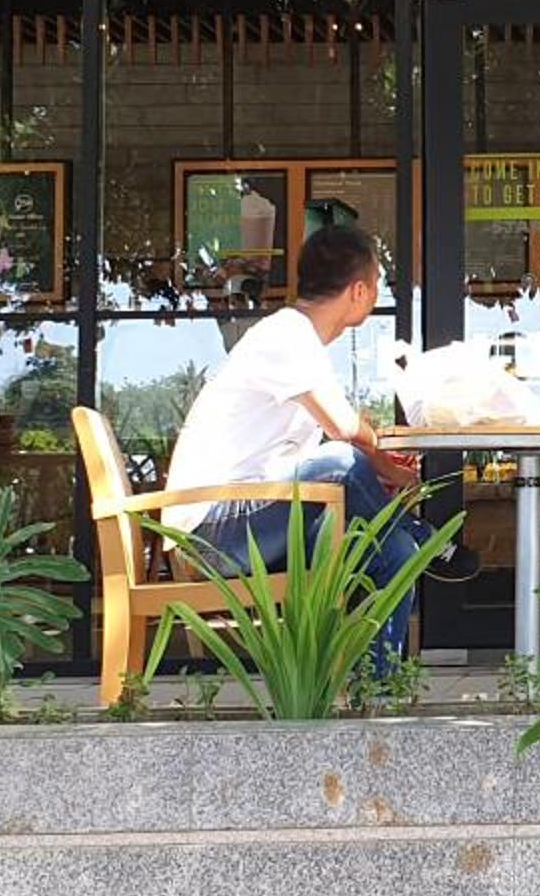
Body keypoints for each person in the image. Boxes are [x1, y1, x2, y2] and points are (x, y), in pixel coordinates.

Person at [162, 224, 476, 673]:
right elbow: (344, 429)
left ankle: (377, 687)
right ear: (359, 291)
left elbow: (334, 442)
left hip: (252, 518)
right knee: (341, 462)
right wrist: (386, 466)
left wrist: (381, 467)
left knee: (396, 552)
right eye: (377, 283)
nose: (377, 294)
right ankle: (420, 532)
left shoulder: (299, 341)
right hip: (210, 532)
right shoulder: (286, 334)